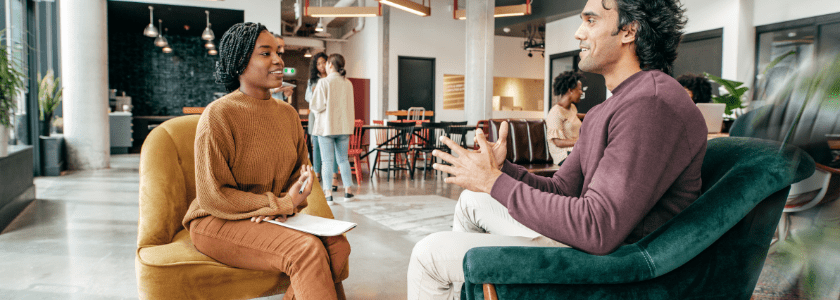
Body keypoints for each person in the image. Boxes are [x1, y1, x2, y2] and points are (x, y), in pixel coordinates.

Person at [407, 0, 708, 299]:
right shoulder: (611, 107)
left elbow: (598, 228)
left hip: (613, 263)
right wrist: (501, 170)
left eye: (590, 21)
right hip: (590, 242)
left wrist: (493, 182)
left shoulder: (650, 104)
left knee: (428, 255)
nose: (578, 33)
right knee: (472, 200)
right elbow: (562, 188)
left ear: (629, 30)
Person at [182, 23, 350, 300]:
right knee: (305, 249)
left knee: (338, 245)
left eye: (278, 52)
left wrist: (283, 204)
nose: (278, 60)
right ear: (239, 62)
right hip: (215, 219)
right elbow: (213, 196)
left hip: (272, 214)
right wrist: (279, 204)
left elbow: (302, 172)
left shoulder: (287, 114)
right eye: (265, 53)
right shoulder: (219, 115)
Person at [310, 54, 356, 205]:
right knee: (343, 160)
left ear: (330, 64)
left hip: (327, 128)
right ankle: (348, 191)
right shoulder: (348, 83)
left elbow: (316, 106)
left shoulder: (324, 82)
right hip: (344, 127)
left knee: (327, 161)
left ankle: (328, 194)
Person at [305, 52, 337, 189]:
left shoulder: (333, 78)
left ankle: (333, 176)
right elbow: (308, 98)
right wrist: (313, 92)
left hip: (330, 116)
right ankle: (317, 174)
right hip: (315, 116)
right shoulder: (312, 80)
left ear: (328, 63)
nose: (321, 66)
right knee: (316, 145)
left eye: (323, 62)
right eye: (318, 64)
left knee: (332, 146)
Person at [546, 71, 584, 164]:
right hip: (563, 155)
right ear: (570, 90)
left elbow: (572, 118)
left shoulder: (572, 108)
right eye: (579, 89)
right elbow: (558, 142)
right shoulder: (555, 112)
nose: (581, 92)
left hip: (576, 151)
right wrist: (582, 141)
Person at [270, 33, 294, 102]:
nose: (283, 50)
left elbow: (278, 96)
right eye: (279, 46)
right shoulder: (262, 64)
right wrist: (274, 90)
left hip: (278, 108)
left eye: (283, 47)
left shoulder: (279, 63)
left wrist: (285, 95)